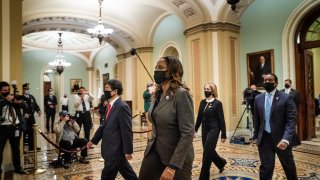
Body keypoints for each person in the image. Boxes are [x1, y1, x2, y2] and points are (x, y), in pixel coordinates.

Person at [139, 56, 195, 180]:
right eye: (155, 67)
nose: (156, 71)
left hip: (176, 156)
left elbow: (188, 133)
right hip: (154, 150)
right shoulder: (158, 94)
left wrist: (172, 167)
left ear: (172, 72)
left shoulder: (181, 94)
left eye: (161, 68)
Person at [87, 79, 138, 180]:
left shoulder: (122, 107)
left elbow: (126, 130)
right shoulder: (110, 106)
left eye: (107, 89)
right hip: (110, 149)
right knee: (128, 174)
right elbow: (103, 126)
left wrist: (128, 151)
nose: (104, 92)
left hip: (115, 150)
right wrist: (93, 140)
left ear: (115, 91)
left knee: (106, 175)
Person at [253, 73, 299, 180]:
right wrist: (256, 136)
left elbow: (291, 120)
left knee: (288, 166)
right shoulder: (258, 98)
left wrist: (286, 139)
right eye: (265, 80)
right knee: (266, 167)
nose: (267, 82)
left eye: (270, 80)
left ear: (276, 83)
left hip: (281, 139)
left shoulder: (286, 98)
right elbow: (257, 119)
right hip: (264, 139)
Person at [195, 83, 227, 180]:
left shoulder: (217, 104)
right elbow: (199, 117)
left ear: (212, 91)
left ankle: (203, 177)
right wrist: (195, 129)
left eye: (208, 89)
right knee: (209, 151)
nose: (206, 90)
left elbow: (221, 119)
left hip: (214, 129)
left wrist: (223, 134)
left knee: (206, 154)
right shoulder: (202, 102)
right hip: (205, 129)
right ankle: (221, 163)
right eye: (205, 88)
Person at [0, 81, 28, 177]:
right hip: (3, 128)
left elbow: (25, 107)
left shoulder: (13, 98)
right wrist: (6, 101)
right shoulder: (1, 100)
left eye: (8, 90)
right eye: (4, 90)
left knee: (16, 149)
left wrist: (18, 101)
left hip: (16, 127)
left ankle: (18, 168)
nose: (7, 92)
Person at [21, 83, 42, 151]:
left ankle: (32, 147)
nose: (27, 90)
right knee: (25, 132)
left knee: (32, 132)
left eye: (28, 89)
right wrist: (23, 114)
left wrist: (38, 111)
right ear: (23, 89)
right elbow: (20, 108)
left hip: (31, 117)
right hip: (25, 118)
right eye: (25, 89)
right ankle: (23, 148)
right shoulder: (21, 98)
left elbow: (36, 105)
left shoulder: (31, 97)